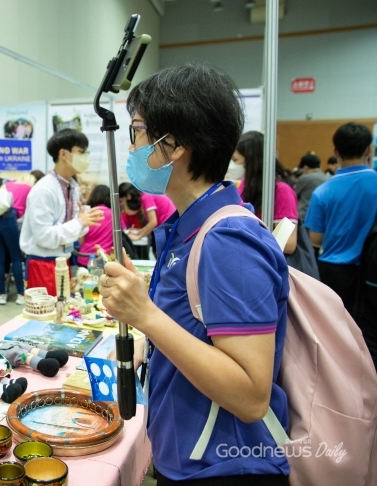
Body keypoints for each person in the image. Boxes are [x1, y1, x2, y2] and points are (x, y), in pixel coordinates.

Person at [100, 64, 290, 484]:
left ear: (175, 145)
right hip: (188, 456)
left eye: (138, 132)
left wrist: (145, 315)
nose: (133, 147)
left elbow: (251, 394)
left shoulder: (228, 240)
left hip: (224, 467)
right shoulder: (190, 227)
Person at [19, 129, 103, 296]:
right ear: (63, 154)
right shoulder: (43, 190)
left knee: (64, 310)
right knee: (46, 314)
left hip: (63, 260)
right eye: (81, 152)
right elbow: (44, 236)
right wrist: (80, 222)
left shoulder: (72, 186)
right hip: (43, 263)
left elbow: (73, 228)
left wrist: (82, 221)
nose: (85, 157)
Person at [305, 122, 377, 315]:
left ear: (336, 151)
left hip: (333, 273)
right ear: (368, 150)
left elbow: (315, 239)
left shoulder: (322, 192)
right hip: (371, 271)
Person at [233, 131, 298, 255]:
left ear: (252, 162)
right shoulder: (240, 187)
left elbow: (289, 243)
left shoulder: (281, 191)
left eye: (235, 160)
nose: (232, 166)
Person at [0, 174, 36, 305]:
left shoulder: (7, 185)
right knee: (16, 257)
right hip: (8, 218)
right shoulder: (29, 189)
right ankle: (20, 294)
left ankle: (1, 294)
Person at [77, 185, 113, 268]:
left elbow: (81, 241)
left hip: (85, 258)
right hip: (105, 258)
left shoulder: (88, 214)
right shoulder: (114, 214)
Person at [293, 152, 328, 222]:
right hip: (322, 215)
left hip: (305, 215)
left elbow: (293, 194)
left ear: (305, 167)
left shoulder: (304, 178)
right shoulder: (327, 178)